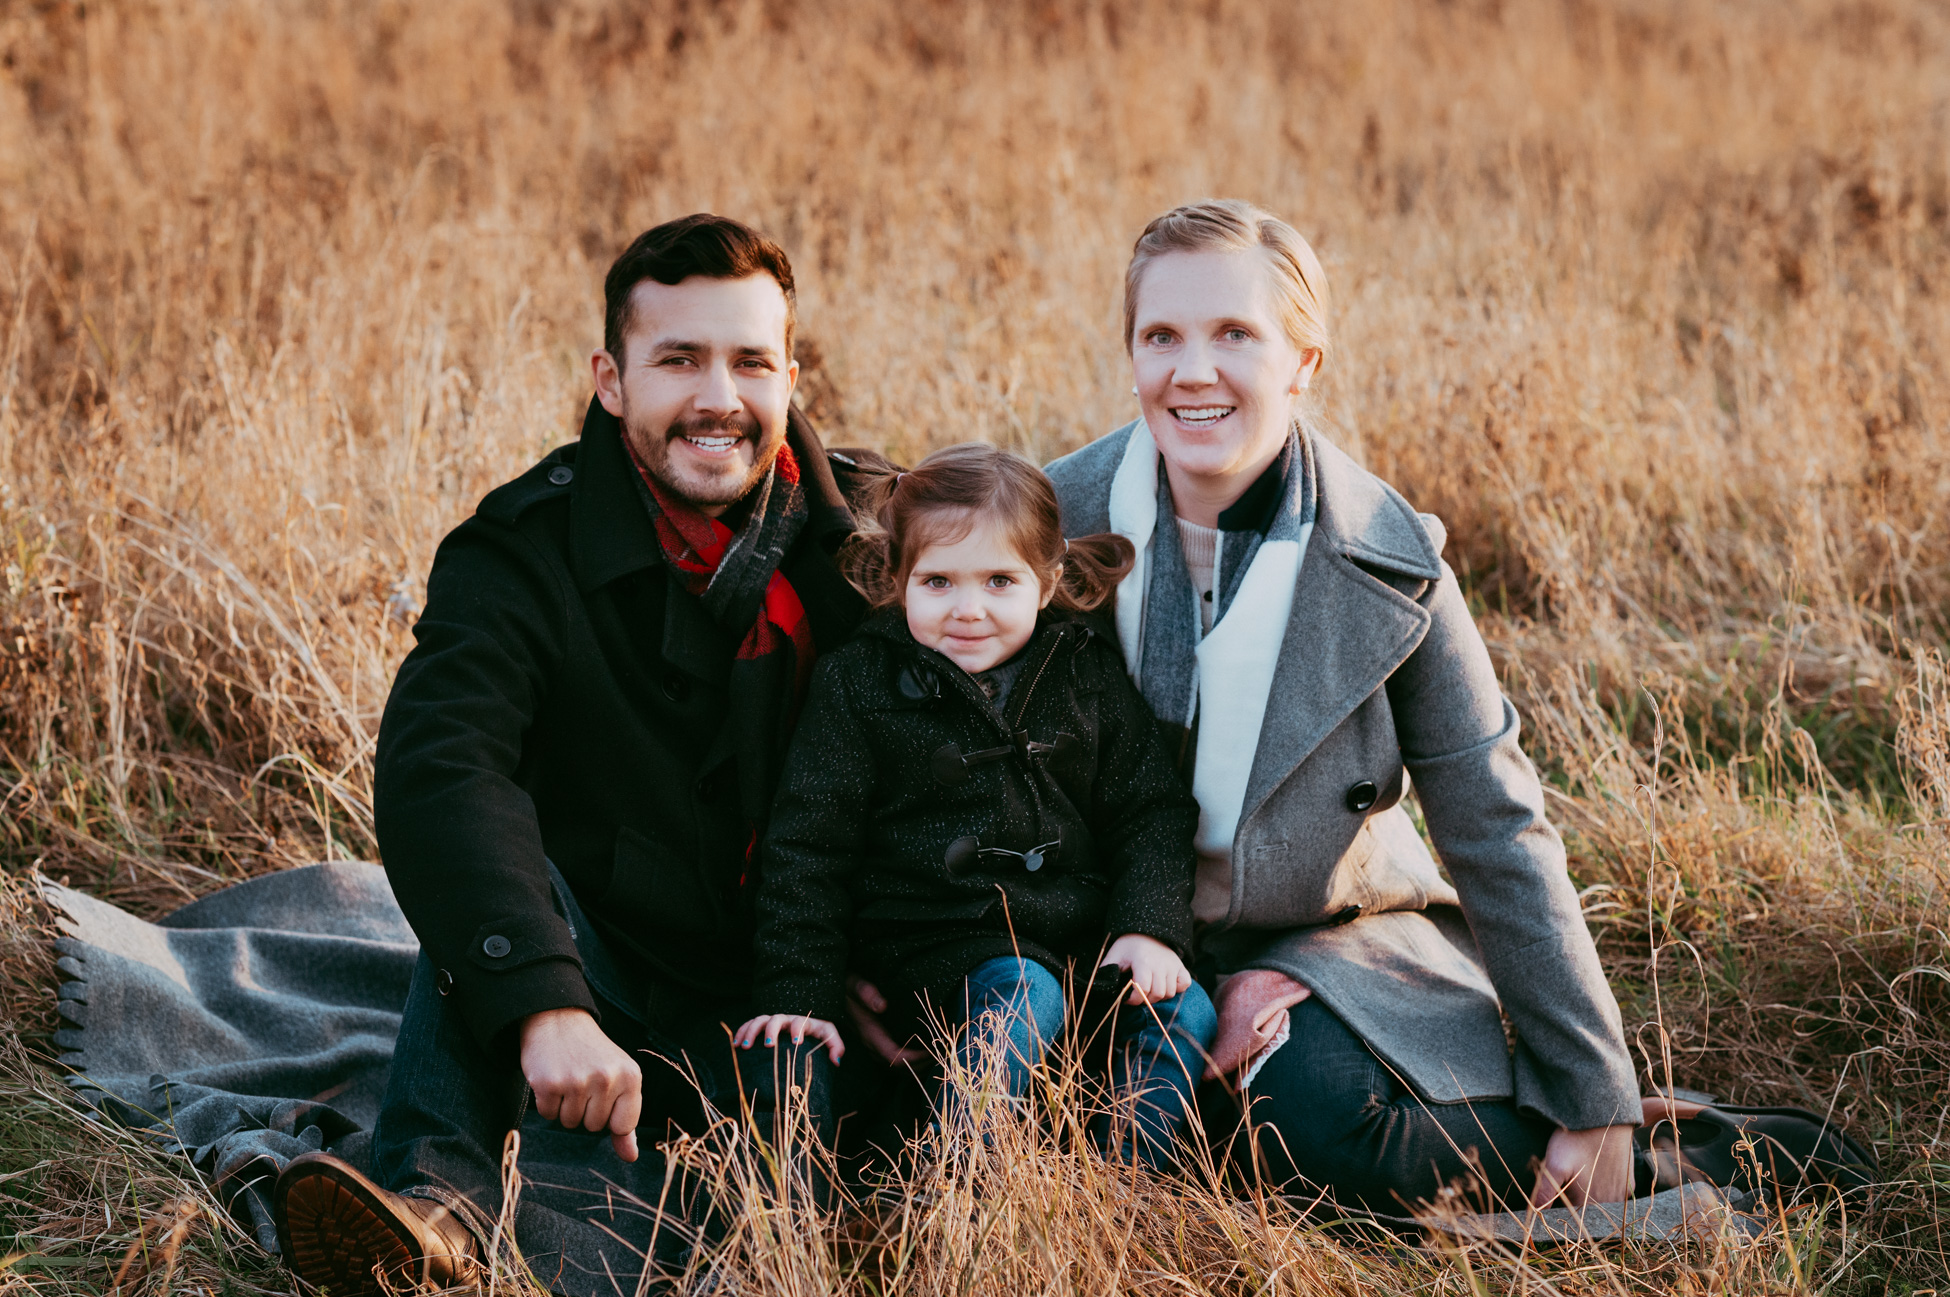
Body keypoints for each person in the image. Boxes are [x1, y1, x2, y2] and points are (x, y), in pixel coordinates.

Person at [271, 214, 875, 1296]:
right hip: (606, 957)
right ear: (611, 378)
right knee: (495, 889)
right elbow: (442, 767)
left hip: (810, 973)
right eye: (678, 359)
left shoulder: (877, 541)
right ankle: (434, 1216)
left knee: (807, 1222)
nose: (718, 397)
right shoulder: (520, 547)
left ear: (790, 372)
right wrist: (548, 1004)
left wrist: (897, 941)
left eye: (749, 361)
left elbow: (984, 739)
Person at [1044, 199, 1647, 1212]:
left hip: (1325, 933)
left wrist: (1596, 1097)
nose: (1193, 372)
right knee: (1027, 1107)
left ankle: (1662, 1144)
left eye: (1236, 333)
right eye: (1163, 337)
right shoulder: (1044, 524)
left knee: (1310, 1122)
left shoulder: (1391, 560)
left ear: (1304, 363)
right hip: (1093, 935)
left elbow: (1494, 820)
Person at [732, 444, 1219, 1167]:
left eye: (999, 580)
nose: (969, 610)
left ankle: (1129, 1181)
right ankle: (957, 1178)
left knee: (1185, 1009)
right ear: (897, 580)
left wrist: (1147, 928)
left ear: (1048, 580)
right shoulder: (859, 684)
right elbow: (807, 849)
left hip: (1074, 945)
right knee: (1024, 992)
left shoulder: (1083, 672)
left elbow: (1150, 811)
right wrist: (801, 990)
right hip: (929, 949)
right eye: (938, 581)